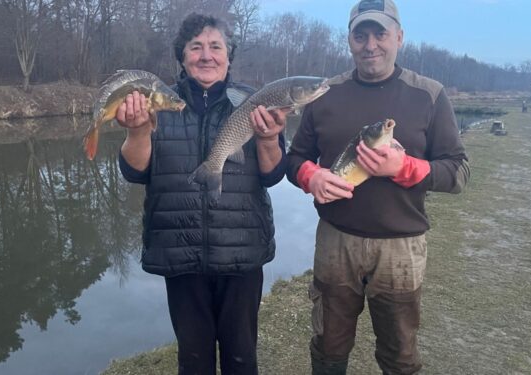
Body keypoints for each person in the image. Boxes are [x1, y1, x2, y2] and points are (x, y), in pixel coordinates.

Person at [286, 0, 470, 374]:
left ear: (399, 37)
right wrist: (311, 177)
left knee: (399, 354)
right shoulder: (325, 94)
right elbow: (294, 159)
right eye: (361, 35)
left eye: (380, 34)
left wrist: (403, 167)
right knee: (327, 347)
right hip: (336, 240)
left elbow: (458, 171)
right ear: (349, 40)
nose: (370, 44)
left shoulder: (429, 94)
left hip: (400, 246)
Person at [116, 13, 288, 375]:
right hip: (179, 254)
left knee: (242, 358)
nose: (206, 55)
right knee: (193, 361)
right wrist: (137, 132)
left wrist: (270, 138)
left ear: (229, 56)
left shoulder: (255, 104)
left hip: (242, 254)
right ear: (182, 57)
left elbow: (273, 175)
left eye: (216, 47)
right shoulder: (160, 103)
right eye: (196, 47)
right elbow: (135, 171)